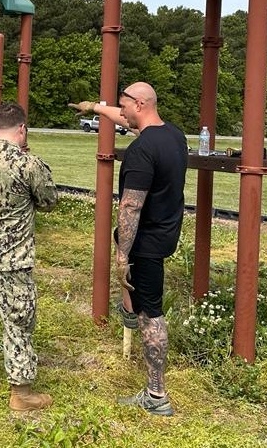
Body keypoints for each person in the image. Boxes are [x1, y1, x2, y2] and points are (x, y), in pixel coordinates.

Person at [71, 82, 187, 416]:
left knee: (152, 313)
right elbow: (124, 119)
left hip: (145, 243)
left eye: (124, 107)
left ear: (139, 103)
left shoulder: (141, 151)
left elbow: (131, 208)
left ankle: (156, 395)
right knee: (141, 303)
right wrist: (94, 108)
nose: (120, 114)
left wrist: (122, 254)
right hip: (165, 234)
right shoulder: (173, 136)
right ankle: (131, 313)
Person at [0, 102, 59, 412]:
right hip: (11, 258)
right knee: (18, 320)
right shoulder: (28, 164)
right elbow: (49, 201)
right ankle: (21, 392)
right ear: (22, 129)